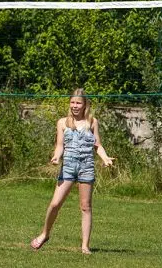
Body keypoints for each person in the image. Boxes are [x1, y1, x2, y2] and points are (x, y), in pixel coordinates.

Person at [30, 88, 114, 255]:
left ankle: (85, 246)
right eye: (73, 102)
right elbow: (60, 145)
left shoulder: (92, 122)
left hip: (86, 167)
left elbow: (97, 145)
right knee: (55, 204)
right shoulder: (63, 122)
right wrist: (56, 157)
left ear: (85, 105)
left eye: (78, 103)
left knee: (85, 207)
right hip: (68, 166)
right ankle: (45, 234)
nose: (75, 106)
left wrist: (105, 158)